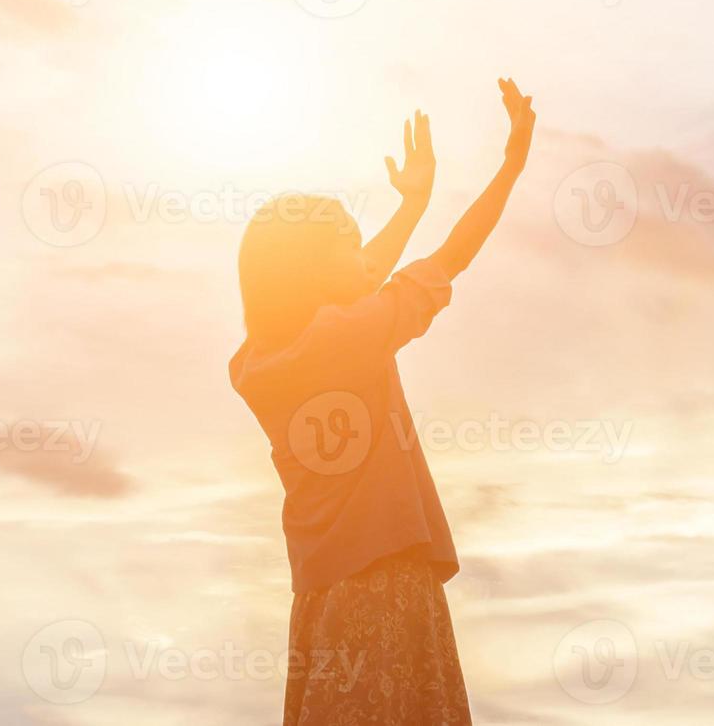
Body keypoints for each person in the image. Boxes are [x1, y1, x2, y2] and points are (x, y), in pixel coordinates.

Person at [229, 79, 537, 725]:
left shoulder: (255, 363)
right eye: (349, 239)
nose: (364, 254)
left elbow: (357, 276)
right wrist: (510, 168)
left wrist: (412, 205)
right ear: (315, 267)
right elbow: (453, 257)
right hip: (388, 580)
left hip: (321, 595)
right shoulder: (354, 334)